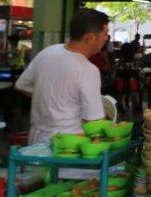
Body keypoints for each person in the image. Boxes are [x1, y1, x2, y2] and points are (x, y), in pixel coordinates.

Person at [16, 8, 109, 144]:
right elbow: (95, 121)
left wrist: (52, 98)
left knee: (37, 166)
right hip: (68, 145)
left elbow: (21, 85)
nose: (106, 38)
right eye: (105, 34)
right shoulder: (87, 70)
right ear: (90, 38)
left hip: (36, 141)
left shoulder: (48, 52)